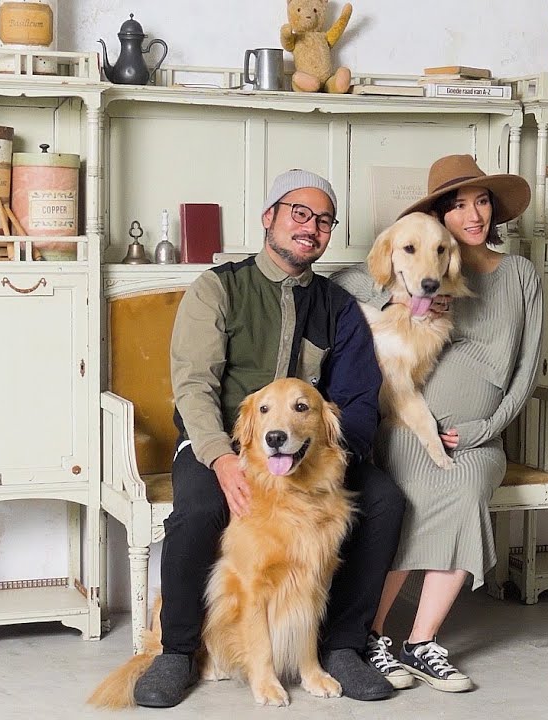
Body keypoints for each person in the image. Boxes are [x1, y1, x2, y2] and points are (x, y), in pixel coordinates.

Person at [133, 170, 406, 707]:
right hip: (219, 445)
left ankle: (343, 647)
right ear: (269, 218)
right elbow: (193, 386)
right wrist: (221, 458)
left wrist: (331, 457)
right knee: (200, 510)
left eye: (323, 220)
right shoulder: (218, 288)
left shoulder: (338, 307)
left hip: (312, 451)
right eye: (299, 213)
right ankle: (176, 650)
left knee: (384, 501)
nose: (311, 227)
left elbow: (358, 399)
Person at [332, 155, 543, 693]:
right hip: (412, 427)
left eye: (482, 201)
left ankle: (421, 642)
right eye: (458, 205)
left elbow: (526, 370)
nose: (473, 215)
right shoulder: (427, 266)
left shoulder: (520, 274)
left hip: (478, 434)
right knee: (408, 495)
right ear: (439, 218)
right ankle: (371, 637)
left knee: (467, 487)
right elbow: (344, 281)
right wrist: (404, 292)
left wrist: (486, 429)